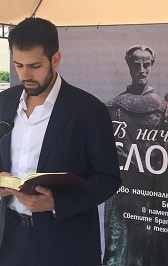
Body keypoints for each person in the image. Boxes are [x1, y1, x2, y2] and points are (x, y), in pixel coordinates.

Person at [0, 17, 121, 266]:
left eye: (35, 66)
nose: (25, 76)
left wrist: (56, 202)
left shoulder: (89, 110)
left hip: (65, 245)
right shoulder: (5, 100)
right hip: (10, 241)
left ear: (55, 59)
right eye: (18, 65)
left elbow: (108, 178)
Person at [103, 45, 168, 266]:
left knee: (146, 250)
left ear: (151, 66)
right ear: (129, 65)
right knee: (117, 250)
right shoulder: (113, 107)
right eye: (137, 64)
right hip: (121, 193)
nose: (142, 69)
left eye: (146, 64)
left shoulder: (162, 109)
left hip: (150, 193)